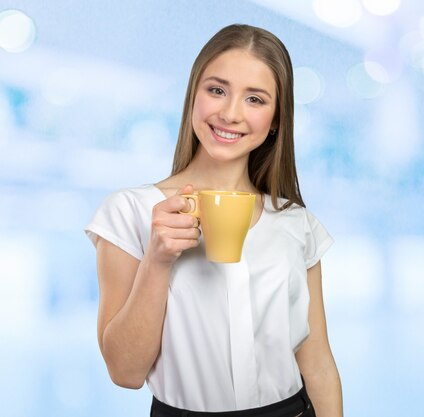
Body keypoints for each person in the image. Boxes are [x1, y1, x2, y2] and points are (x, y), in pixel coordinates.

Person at [85, 24, 343, 417]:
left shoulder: (296, 222)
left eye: (255, 99)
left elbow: (319, 364)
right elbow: (124, 372)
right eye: (217, 90)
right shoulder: (130, 212)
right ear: (194, 95)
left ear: (276, 119)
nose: (230, 113)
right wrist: (158, 259)